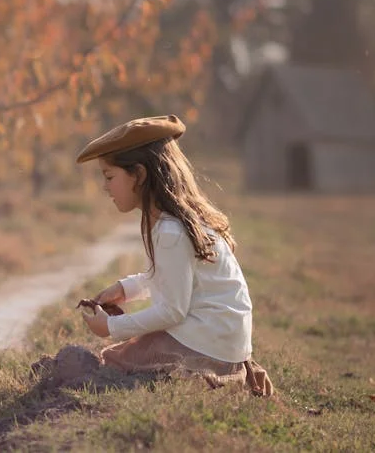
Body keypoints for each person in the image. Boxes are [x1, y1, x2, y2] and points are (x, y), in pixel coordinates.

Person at [75, 114, 272, 395]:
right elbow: (174, 275)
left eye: (109, 176)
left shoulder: (170, 231)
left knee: (111, 363)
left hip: (205, 344)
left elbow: (172, 311)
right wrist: (125, 289)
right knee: (126, 353)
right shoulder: (182, 222)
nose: (105, 186)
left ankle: (209, 374)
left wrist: (112, 326)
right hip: (220, 340)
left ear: (140, 174)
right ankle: (226, 371)